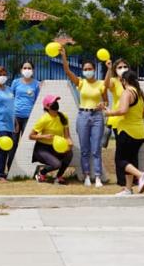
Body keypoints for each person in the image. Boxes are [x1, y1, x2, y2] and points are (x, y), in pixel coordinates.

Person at [59, 46, 106, 188]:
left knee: (96, 148)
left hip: (97, 116)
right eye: (85, 69)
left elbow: (106, 101)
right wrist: (64, 56)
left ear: (94, 69)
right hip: (83, 115)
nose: (87, 71)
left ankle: (97, 177)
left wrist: (102, 105)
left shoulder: (101, 84)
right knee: (85, 148)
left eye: (89, 68)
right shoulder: (81, 82)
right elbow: (67, 71)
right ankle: (86, 175)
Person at [102, 70, 144, 195]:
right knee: (130, 161)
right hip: (140, 132)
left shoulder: (127, 92)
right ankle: (128, 189)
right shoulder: (141, 94)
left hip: (127, 131)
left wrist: (109, 112)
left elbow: (123, 110)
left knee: (120, 161)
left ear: (124, 81)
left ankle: (141, 175)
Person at [28, 94, 73, 184]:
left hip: (56, 147)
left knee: (69, 154)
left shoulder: (63, 117)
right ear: (47, 106)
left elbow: (67, 136)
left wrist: (69, 143)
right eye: (53, 102)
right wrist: (44, 136)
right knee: (56, 164)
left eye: (56, 101)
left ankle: (59, 177)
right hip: (42, 149)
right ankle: (41, 173)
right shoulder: (44, 119)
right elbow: (31, 136)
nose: (56, 103)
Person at [102, 58, 131, 149]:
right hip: (117, 118)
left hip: (130, 117)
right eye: (120, 67)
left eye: (125, 66)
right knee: (121, 146)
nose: (123, 68)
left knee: (130, 147)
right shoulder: (114, 80)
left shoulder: (132, 81)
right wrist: (109, 69)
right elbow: (105, 85)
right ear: (115, 69)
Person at [10, 61, 40, 140]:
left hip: (29, 117)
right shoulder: (15, 82)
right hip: (15, 116)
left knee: (26, 142)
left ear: (33, 70)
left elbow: (37, 101)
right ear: (21, 70)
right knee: (13, 141)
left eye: (29, 68)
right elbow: (10, 98)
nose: (27, 70)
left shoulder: (37, 84)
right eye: (25, 68)